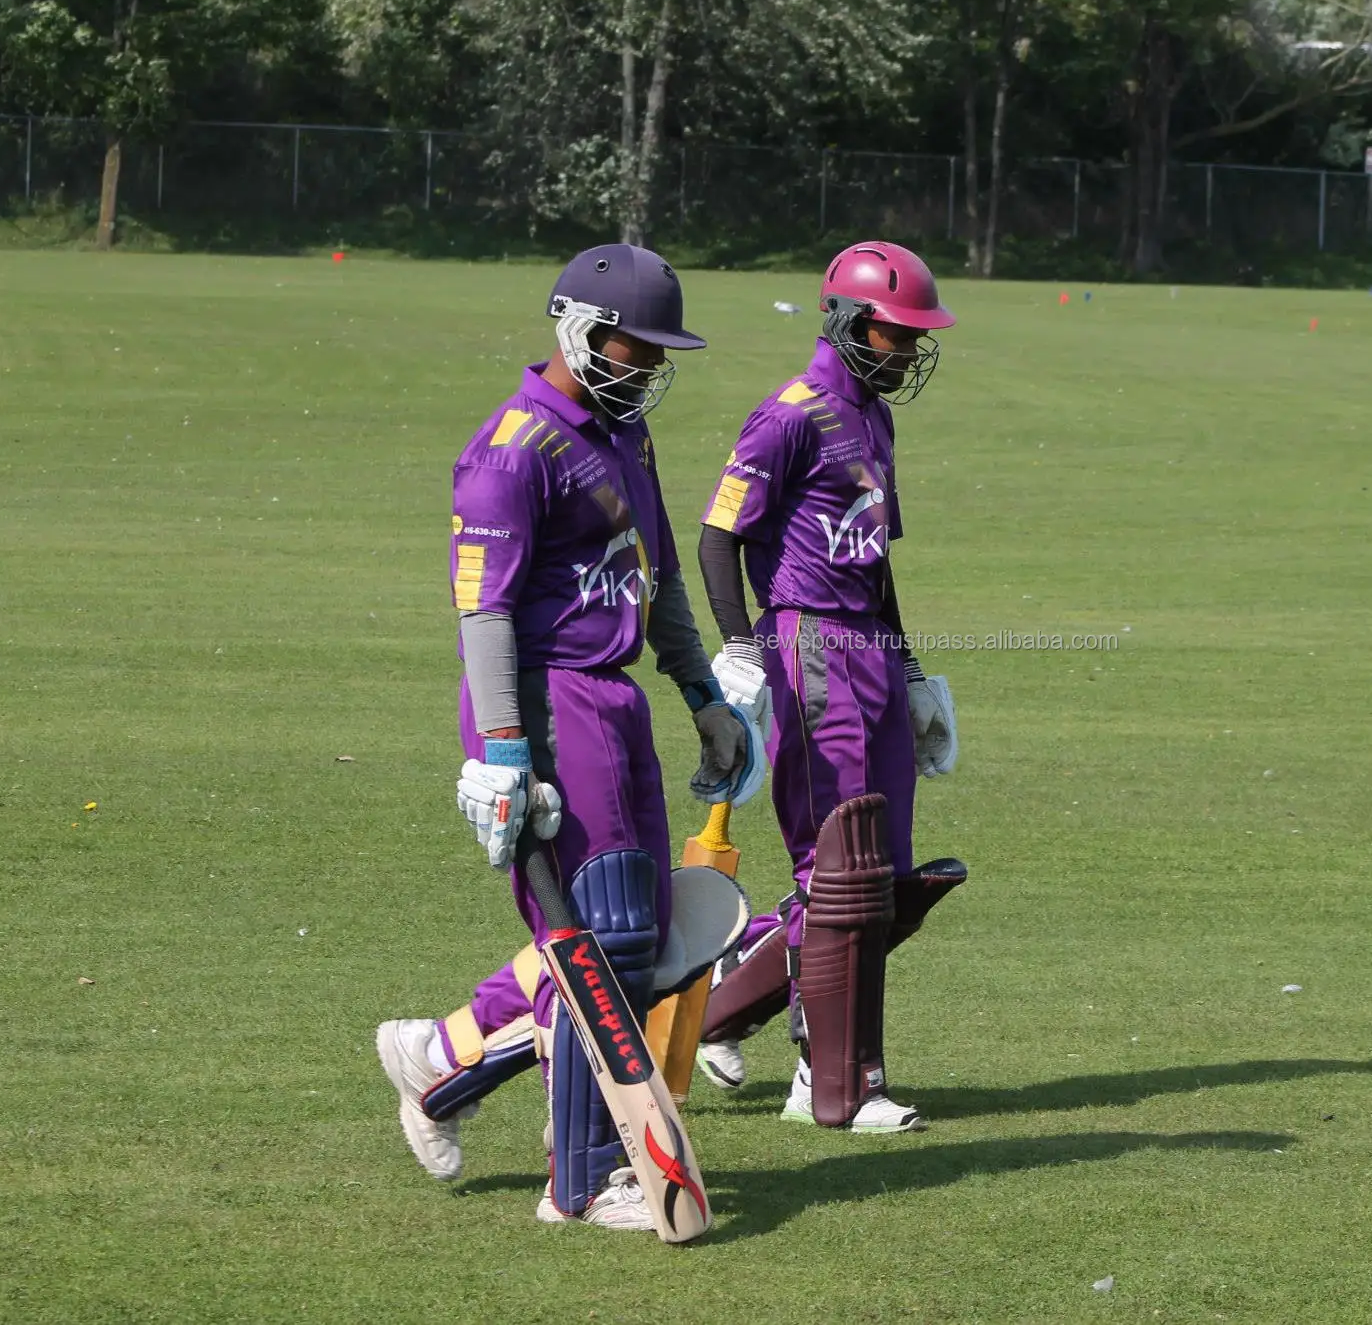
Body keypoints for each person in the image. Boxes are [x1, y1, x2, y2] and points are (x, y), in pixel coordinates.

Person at [372, 243, 753, 1229]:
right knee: (603, 939)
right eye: (635, 346)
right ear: (579, 330)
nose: (648, 366)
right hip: (545, 701)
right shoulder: (512, 449)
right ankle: (581, 1183)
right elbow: (485, 611)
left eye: (658, 352)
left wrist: (703, 696)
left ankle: (439, 1064)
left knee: (626, 941)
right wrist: (503, 751)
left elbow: (657, 576)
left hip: (614, 699)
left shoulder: (628, 436)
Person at [691, 240, 967, 1133]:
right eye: (896, 334)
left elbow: (875, 559)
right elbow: (719, 537)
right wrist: (741, 649)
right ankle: (828, 1076)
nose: (909, 351)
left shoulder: (875, 419)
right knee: (838, 867)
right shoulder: (789, 416)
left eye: (916, 337)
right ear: (849, 323)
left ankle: (722, 1001)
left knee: (886, 879)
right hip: (809, 643)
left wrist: (911, 670)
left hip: (871, 648)